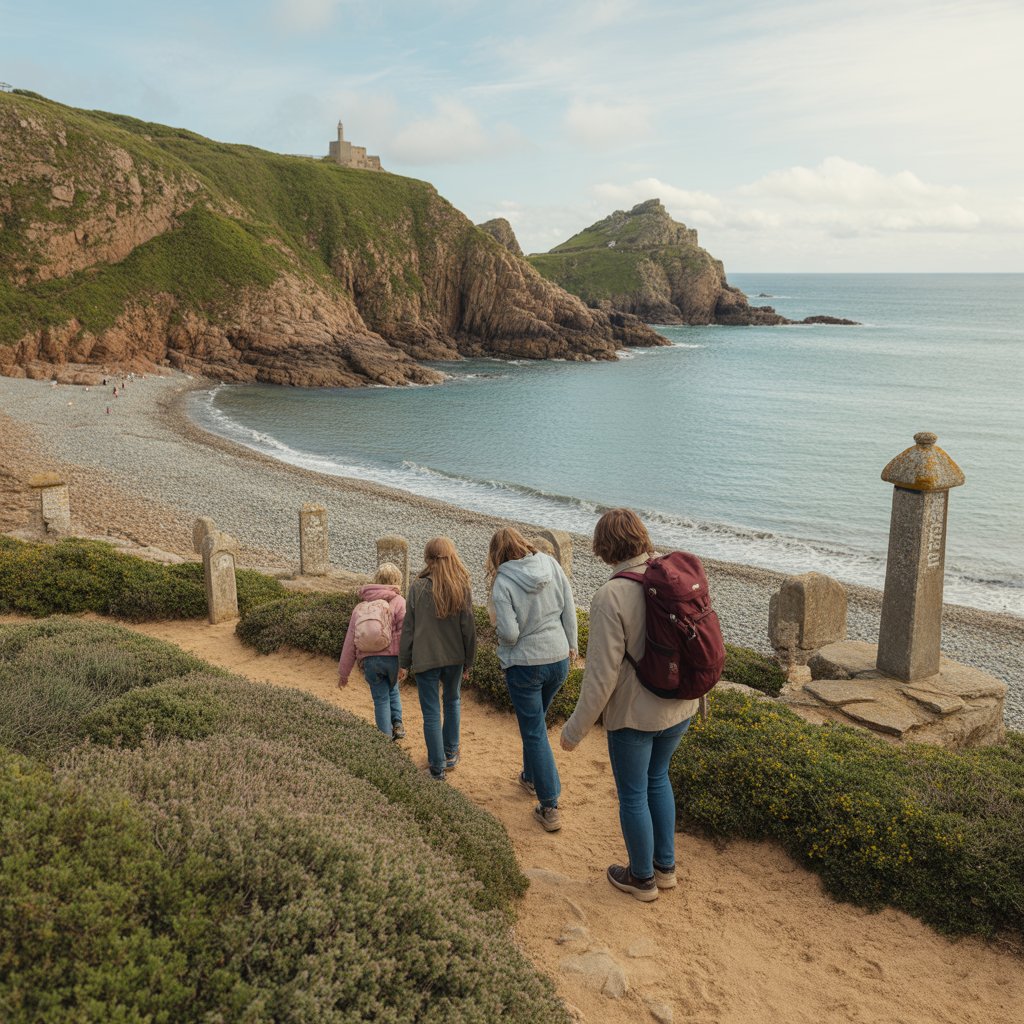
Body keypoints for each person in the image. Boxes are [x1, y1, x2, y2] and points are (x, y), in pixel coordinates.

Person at [560, 509, 698, 902]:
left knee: (634, 794)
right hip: (680, 707)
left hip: (637, 715)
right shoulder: (673, 577)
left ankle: (642, 879)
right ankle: (665, 868)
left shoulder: (611, 595)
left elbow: (600, 677)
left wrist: (574, 731)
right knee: (659, 779)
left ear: (605, 547)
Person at [488, 527, 577, 832]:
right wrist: (572, 645)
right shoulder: (550, 564)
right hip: (559, 658)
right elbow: (569, 608)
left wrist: (500, 634)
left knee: (535, 730)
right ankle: (529, 777)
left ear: (496, 555)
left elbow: (510, 634)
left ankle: (550, 805)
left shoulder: (503, 582)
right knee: (536, 724)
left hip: (525, 664)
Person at [399, 537, 476, 780]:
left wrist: (403, 662)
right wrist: (469, 661)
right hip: (454, 658)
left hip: (425, 659)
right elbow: (469, 629)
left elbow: (408, 629)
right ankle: (451, 752)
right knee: (452, 701)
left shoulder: (418, 587)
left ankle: (437, 768)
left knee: (431, 712)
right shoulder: (461, 586)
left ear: (428, 559)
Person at [337, 562, 407, 740]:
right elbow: (404, 633)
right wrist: (404, 663)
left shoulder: (361, 607)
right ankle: (398, 724)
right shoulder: (399, 602)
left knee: (381, 699)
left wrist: (343, 674)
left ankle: (385, 739)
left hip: (370, 661)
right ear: (397, 582)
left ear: (376, 580)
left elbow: (349, 642)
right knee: (393, 688)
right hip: (393, 659)